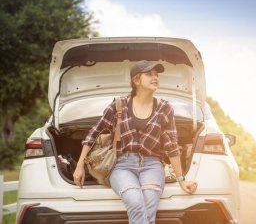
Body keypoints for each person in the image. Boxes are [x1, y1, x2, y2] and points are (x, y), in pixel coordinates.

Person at [73, 60, 198, 224]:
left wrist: (181, 180)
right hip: (122, 166)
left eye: (156, 75)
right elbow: (93, 134)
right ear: (136, 80)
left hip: (152, 165)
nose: (155, 78)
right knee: (136, 203)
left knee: (148, 207)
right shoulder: (119, 105)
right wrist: (79, 166)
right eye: (149, 74)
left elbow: (171, 146)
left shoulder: (165, 108)